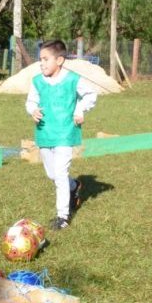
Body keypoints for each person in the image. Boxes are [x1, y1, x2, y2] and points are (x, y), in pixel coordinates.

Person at [26, 40, 98, 230]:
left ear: (59, 60)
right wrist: (32, 110)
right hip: (44, 132)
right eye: (40, 59)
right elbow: (30, 101)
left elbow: (91, 94)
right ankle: (74, 186)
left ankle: (63, 217)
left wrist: (80, 110)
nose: (41, 63)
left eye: (45, 59)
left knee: (60, 174)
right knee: (52, 174)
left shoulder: (73, 79)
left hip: (65, 132)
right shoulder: (37, 81)